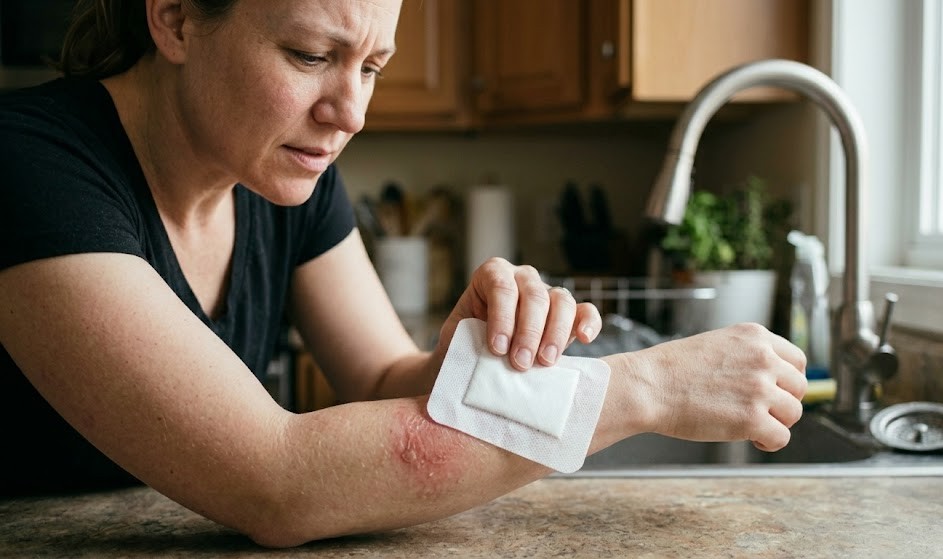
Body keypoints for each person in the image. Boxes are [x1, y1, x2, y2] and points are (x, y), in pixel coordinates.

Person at [0, 0, 807, 548]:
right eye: (312, 55)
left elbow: (384, 377)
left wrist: (463, 355)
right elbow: (275, 480)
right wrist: (641, 389)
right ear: (175, 18)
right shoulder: (29, 165)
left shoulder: (278, 173)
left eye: (372, 67)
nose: (350, 112)